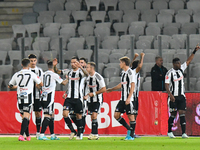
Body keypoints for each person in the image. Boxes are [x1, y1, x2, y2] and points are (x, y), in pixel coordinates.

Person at [165, 44, 200, 138]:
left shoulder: (181, 69)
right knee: (173, 114)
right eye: (178, 63)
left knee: (182, 114)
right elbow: (166, 85)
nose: (180, 65)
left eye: (180, 63)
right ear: (174, 64)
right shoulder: (169, 73)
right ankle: (169, 131)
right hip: (173, 97)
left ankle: (184, 133)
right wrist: (170, 95)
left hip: (181, 96)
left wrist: (194, 51)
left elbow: (189, 61)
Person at [53, 56, 88, 140]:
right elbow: (58, 71)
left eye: (74, 62)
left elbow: (87, 74)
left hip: (78, 98)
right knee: (64, 114)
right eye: (71, 62)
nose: (72, 64)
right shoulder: (69, 72)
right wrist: (54, 66)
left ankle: (80, 134)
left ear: (78, 63)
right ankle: (73, 131)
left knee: (78, 116)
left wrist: (81, 67)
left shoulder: (81, 72)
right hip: (69, 98)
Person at [8, 58, 43, 141]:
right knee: (27, 116)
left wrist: (18, 86)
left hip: (20, 97)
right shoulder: (31, 74)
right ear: (29, 65)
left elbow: (10, 85)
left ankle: (27, 136)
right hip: (28, 96)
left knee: (24, 117)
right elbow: (40, 83)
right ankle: (21, 135)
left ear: (21, 65)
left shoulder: (17, 74)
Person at [106, 56, 136, 140]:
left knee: (131, 117)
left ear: (124, 63)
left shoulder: (131, 72)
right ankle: (129, 129)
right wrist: (112, 89)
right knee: (116, 115)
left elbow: (133, 85)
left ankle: (131, 135)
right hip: (122, 99)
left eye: (120, 62)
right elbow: (122, 84)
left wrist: (129, 98)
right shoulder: (123, 72)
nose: (119, 64)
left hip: (129, 99)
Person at [38, 60, 68, 140]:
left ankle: (52, 135)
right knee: (47, 115)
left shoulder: (43, 74)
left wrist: (44, 88)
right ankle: (41, 135)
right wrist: (69, 78)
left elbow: (38, 85)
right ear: (53, 66)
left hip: (43, 96)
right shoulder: (54, 75)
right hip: (49, 97)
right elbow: (64, 83)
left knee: (52, 115)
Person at [83, 62, 106, 140]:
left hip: (97, 99)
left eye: (87, 67)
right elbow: (87, 89)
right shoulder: (88, 78)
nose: (86, 69)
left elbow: (104, 89)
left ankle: (95, 134)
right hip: (90, 100)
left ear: (92, 68)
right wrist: (86, 95)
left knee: (94, 115)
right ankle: (93, 133)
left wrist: (94, 93)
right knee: (92, 117)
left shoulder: (98, 77)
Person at [28, 54, 44, 139]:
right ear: (29, 61)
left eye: (34, 60)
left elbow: (41, 83)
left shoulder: (40, 71)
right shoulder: (27, 70)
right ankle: (26, 133)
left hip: (37, 95)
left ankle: (38, 132)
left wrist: (39, 86)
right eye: (31, 61)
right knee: (26, 114)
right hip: (29, 95)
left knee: (37, 113)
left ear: (36, 61)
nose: (33, 62)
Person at [130, 52, 145, 138]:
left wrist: (134, 58)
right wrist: (142, 57)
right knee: (132, 115)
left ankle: (132, 132)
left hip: (135, 96)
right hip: (133, 96)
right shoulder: (134, 72)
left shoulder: (133, 72)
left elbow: (132, 65)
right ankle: (131, 132)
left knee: (134, 114)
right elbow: (139, 66)